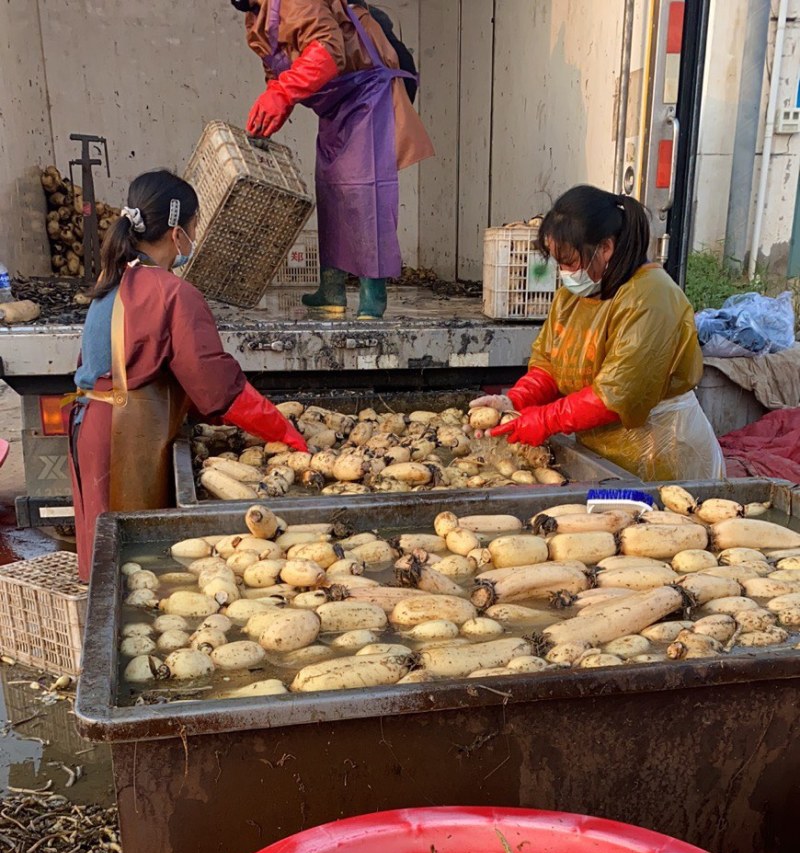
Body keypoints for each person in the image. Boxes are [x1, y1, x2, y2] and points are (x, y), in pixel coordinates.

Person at [69, 170, 306, 581]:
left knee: (103, 558)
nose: (193, 238)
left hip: (91, 425)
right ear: (177, 232)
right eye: (194, 228)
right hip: (124, 438)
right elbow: (216, 386)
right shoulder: (171, 292)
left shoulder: (114, 278)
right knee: (136, 568)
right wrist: (283, 432)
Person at [471, 186, 724, 482]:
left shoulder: (651, 296)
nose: (564, 272)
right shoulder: (573, 297)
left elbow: (618, 394)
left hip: (659, 450)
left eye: (571, 261)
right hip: (600, 451)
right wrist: (516, 401)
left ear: (606, 248)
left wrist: (545, 419)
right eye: (559, 262)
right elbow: (550, 366)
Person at [235, 0, 434, 320]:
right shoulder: (256, 19)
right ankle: (332, 289)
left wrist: (283, 94)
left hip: (367, 90)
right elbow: (279, 68)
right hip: (334, 102)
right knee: (331, 190)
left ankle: (373, 294)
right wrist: (276, 102)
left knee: (365, 192)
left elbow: (328, 51)